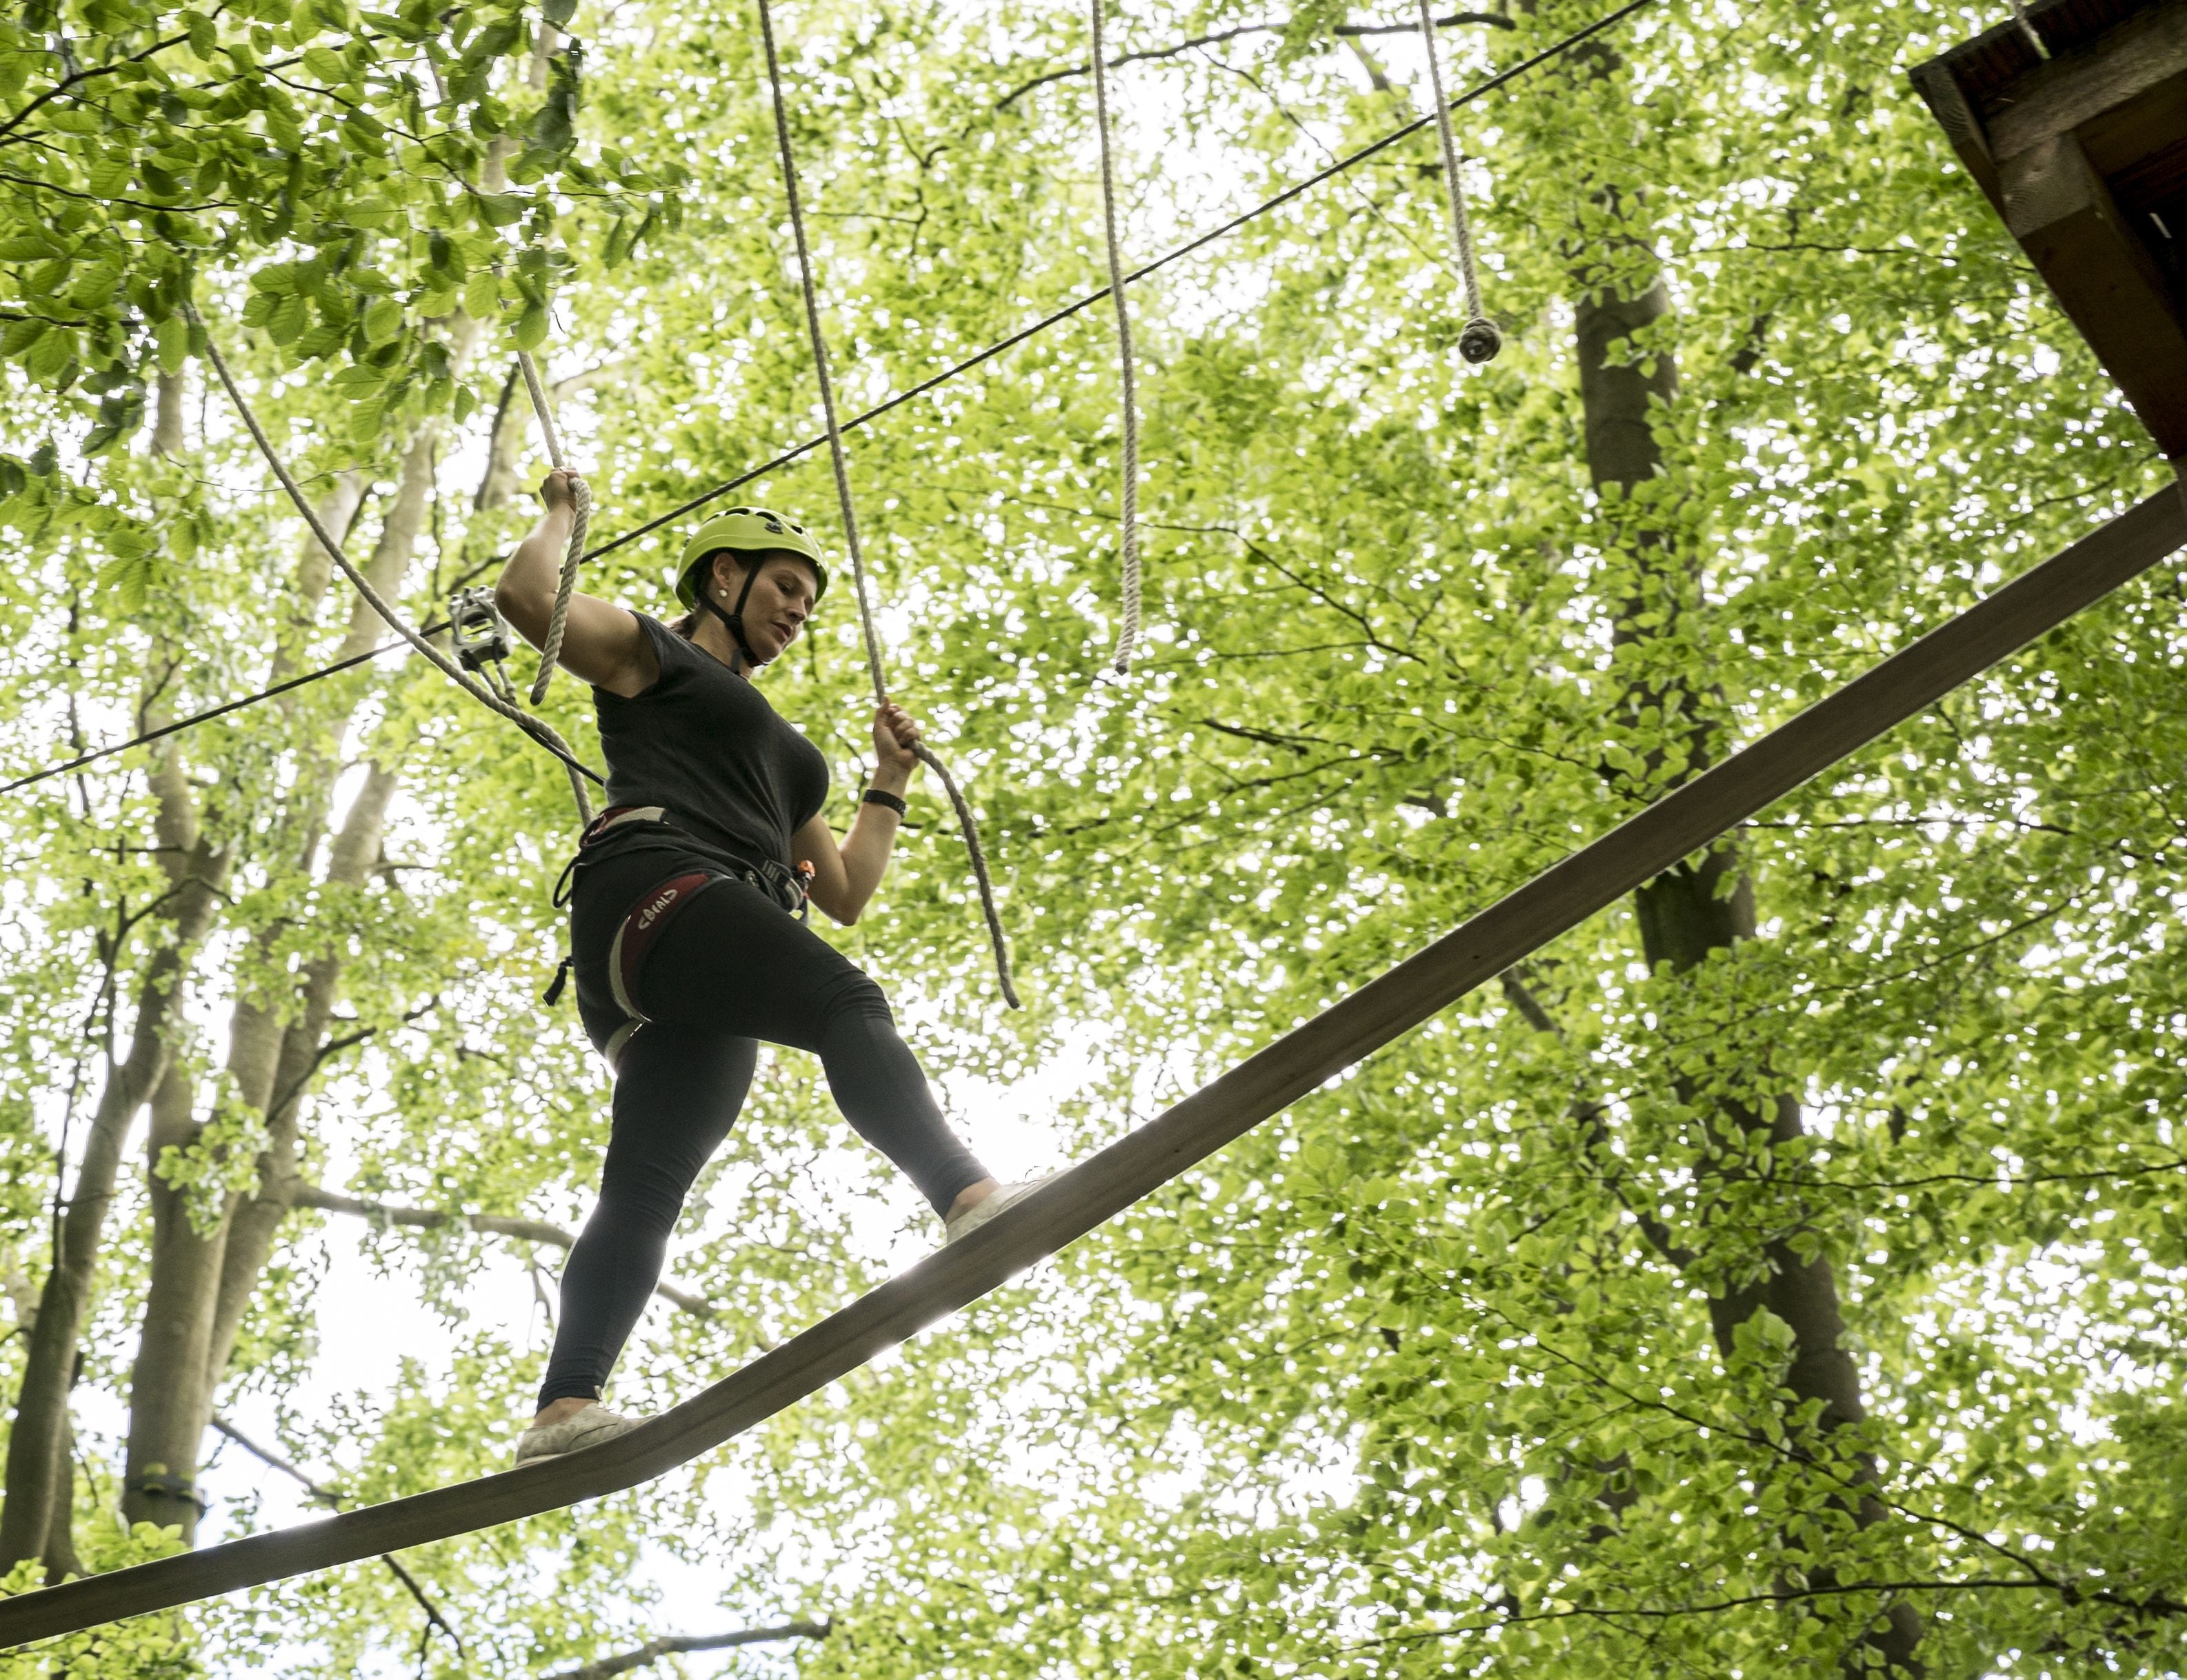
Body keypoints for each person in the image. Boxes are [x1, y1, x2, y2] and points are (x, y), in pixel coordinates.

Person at [495, 471, 1043, 1468]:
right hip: (659, 887)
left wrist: (887, 782)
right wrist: (564, 512)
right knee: (844, 1000)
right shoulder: (656, 658)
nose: (799, 611)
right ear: (724, 577)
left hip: (687, 957)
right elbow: (530, 602)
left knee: (647, 1185)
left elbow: (840, 891)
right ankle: (966, 1197)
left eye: (809, 601)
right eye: (786, 587)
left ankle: (562, 1410)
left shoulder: (783, 754)